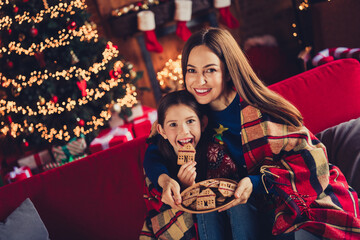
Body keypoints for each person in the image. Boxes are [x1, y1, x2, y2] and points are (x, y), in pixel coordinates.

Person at [143, 27, 360, 240]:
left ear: (227, 71)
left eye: (210, 70)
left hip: (283, 201)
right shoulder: (188, 114)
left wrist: (256, 182)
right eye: (192, 70)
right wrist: (164, 180)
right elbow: (155, 150)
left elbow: (308, 158)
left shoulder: (260, 110)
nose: (199, 81)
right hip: (238, 213)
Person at [140, 90, 259, 240]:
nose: (184, 131)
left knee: (231, 201)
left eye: (190, 121)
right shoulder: (159, 153)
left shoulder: (214, 148)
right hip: (194, 224)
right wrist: (180, 187)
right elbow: (151, 160)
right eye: (173, 125)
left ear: (203, 123)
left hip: (231, 213)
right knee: (202, 202)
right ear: (162, 131)